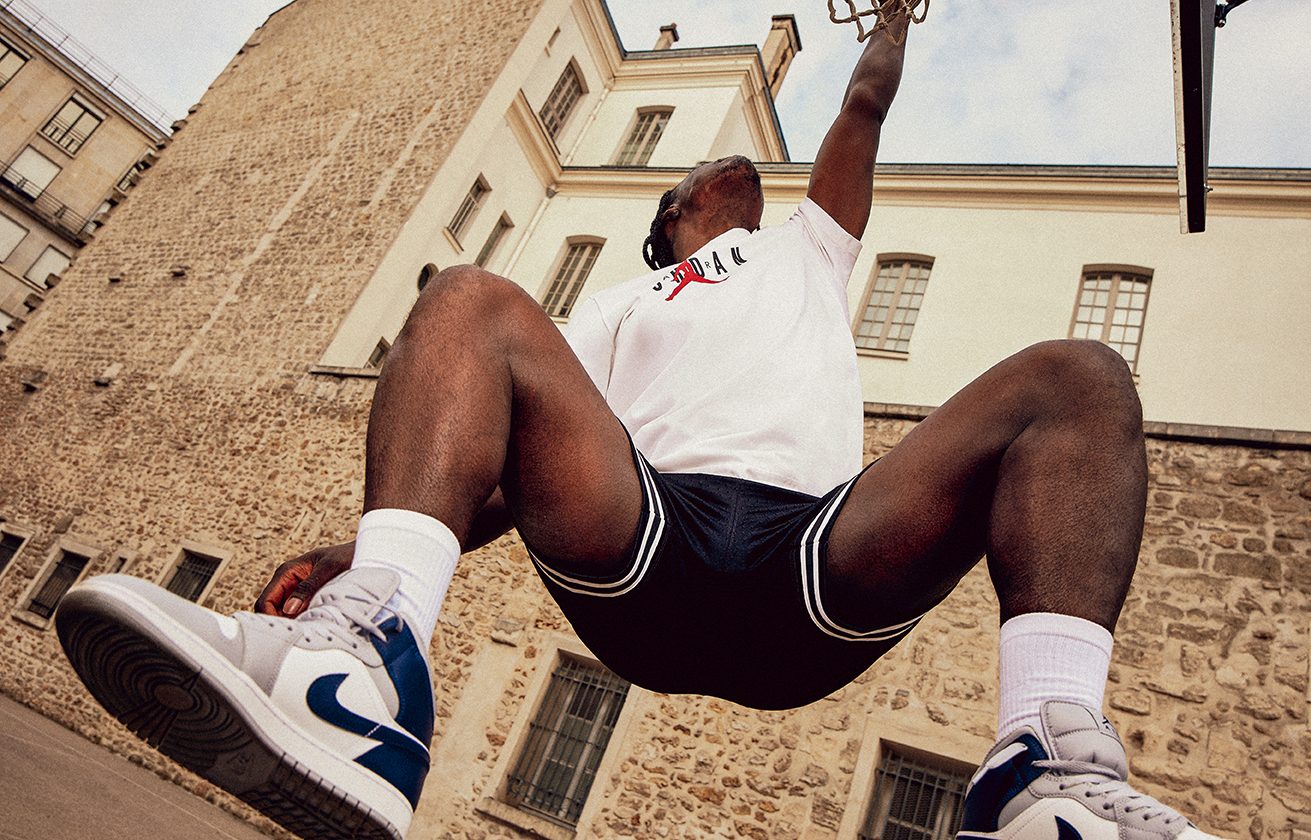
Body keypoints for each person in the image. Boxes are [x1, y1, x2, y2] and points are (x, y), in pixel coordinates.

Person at [57, 15, 1221, 840]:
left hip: (813, 555)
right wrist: (356, 551)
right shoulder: (622, 303)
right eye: (713, 167)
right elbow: (503, 470)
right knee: (473, 301)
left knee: (1080, 379)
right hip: (650, 545)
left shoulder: (812, 249)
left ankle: (1044, 774)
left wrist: (894, 17)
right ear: (675, 213)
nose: (738, 163)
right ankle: (363, 671)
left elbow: (863, 104)